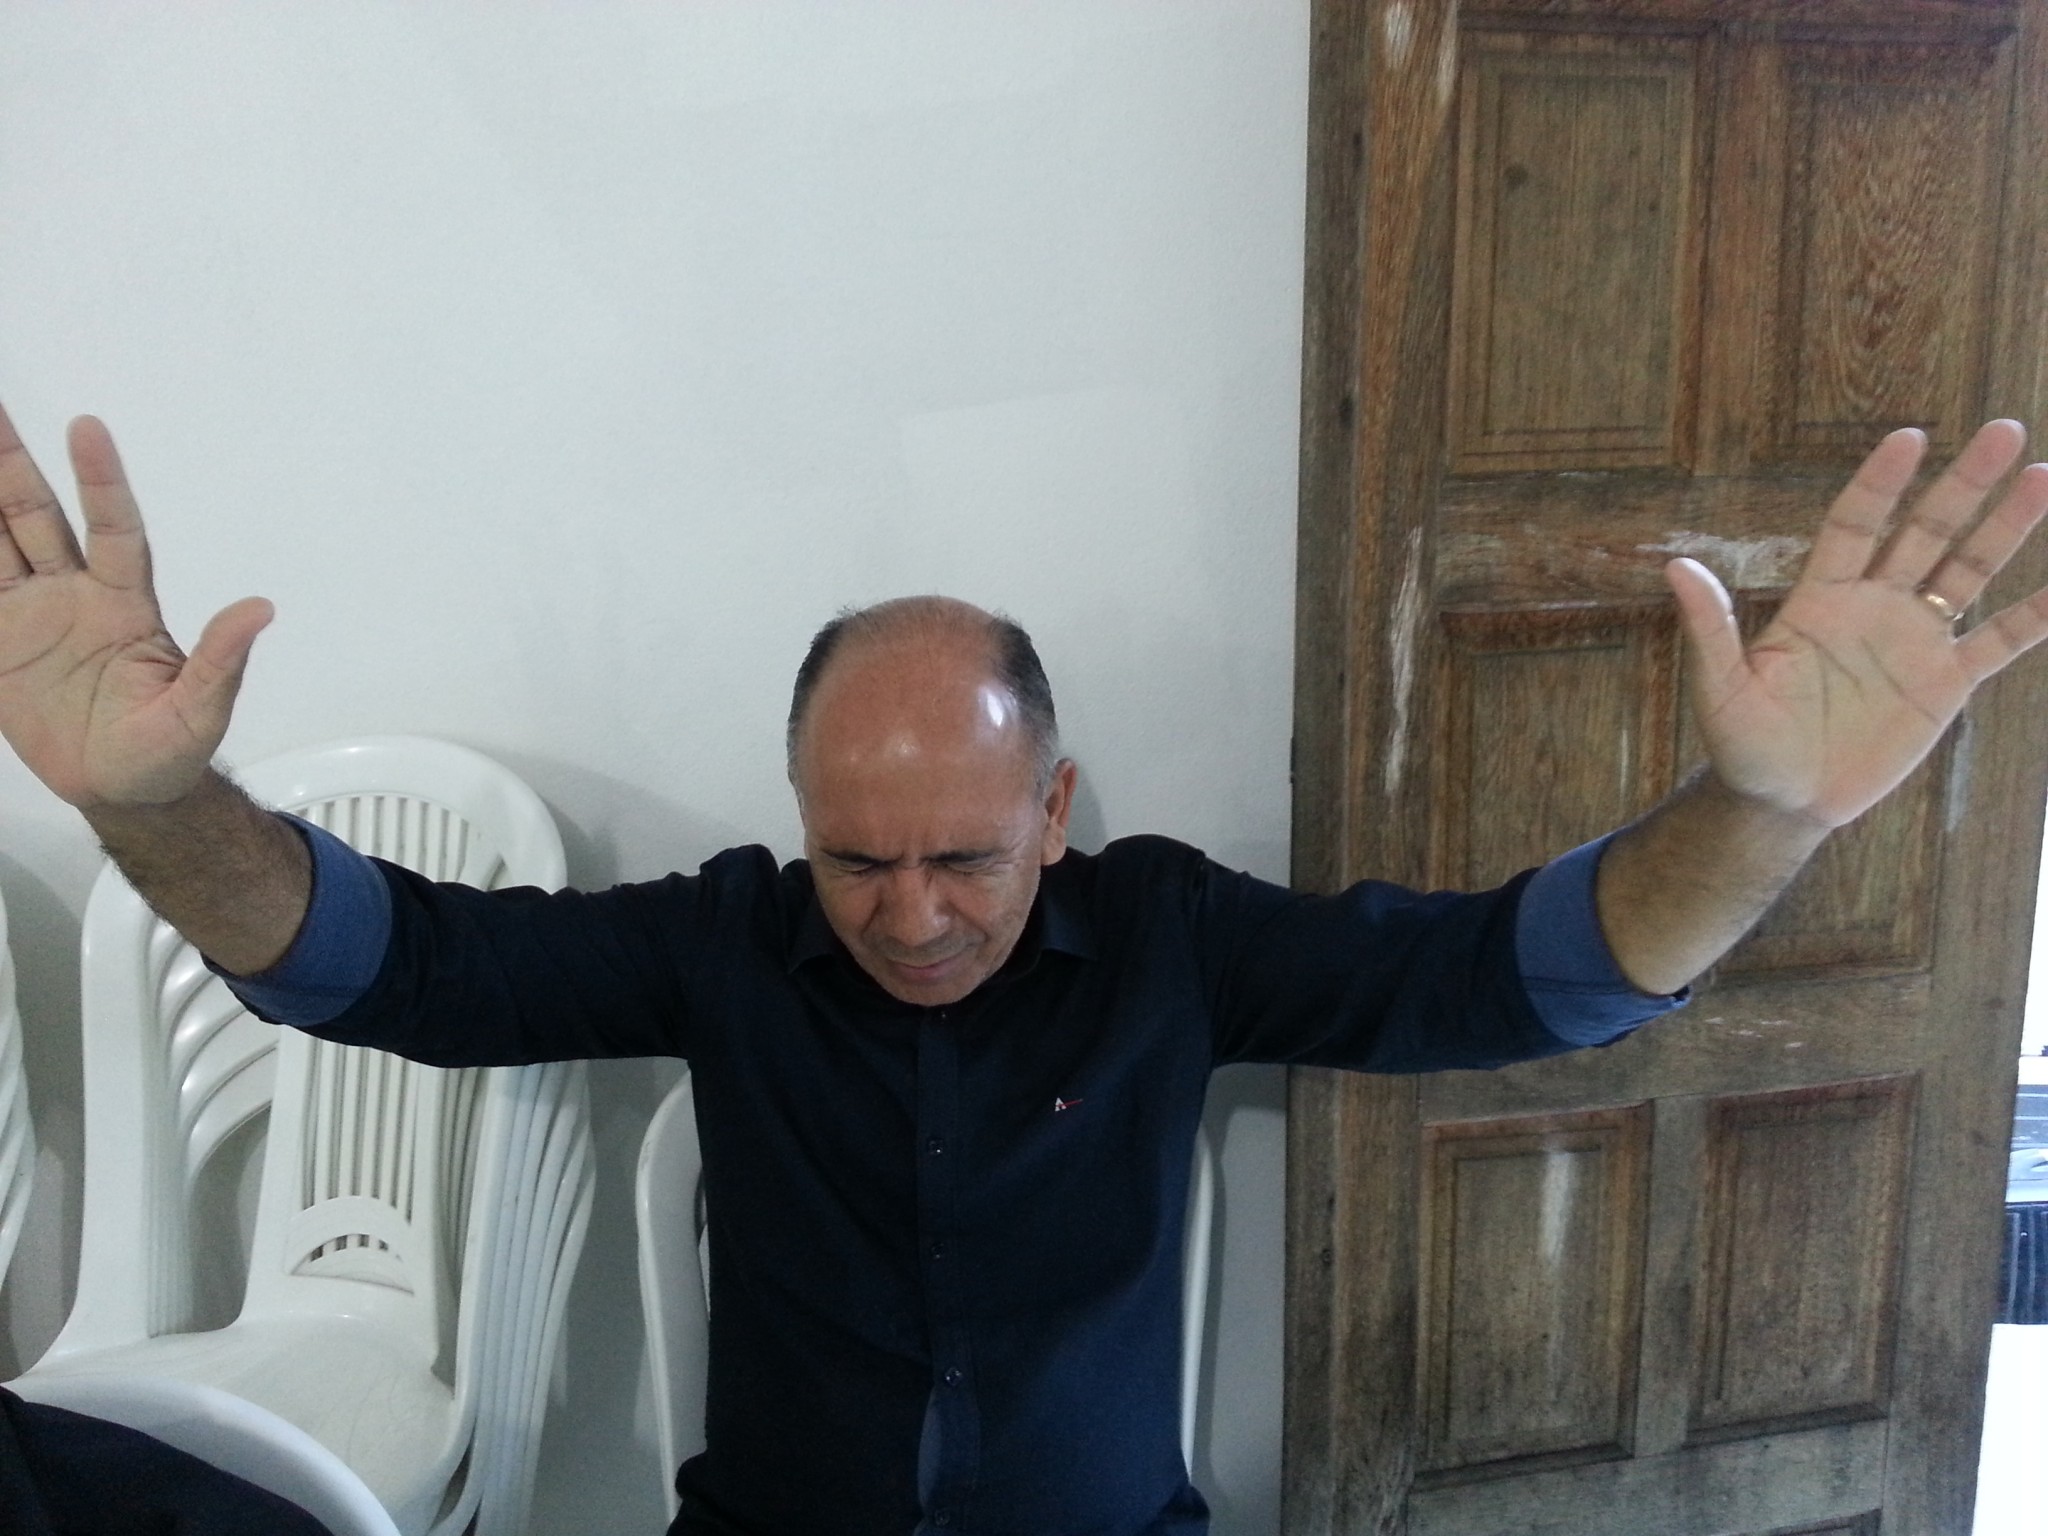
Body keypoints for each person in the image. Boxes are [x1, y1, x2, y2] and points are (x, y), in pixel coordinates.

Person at [2, 397, 2047, 1536]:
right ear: (796, 817)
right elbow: (398, 969)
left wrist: (1763, 811)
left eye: (964, 858)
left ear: (1054, 805)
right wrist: (155, 809)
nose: (908, 915)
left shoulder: (1172, 937)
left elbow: (1510, 980)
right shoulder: (726, 938)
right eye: (856, 859)